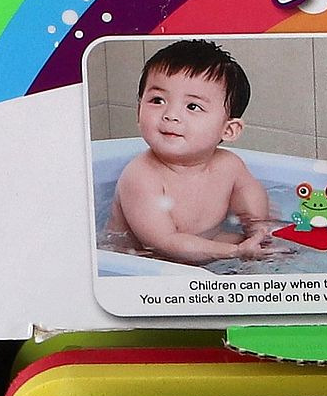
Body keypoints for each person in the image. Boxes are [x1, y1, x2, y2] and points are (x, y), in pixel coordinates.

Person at [110, 40, 289, 263]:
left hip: (206, 242)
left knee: (280, 253)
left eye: (192, 106)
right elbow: (163, 242)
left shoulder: (229, 165)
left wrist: (257, 228)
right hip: (145, 260)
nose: (171, 115)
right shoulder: (140, 176)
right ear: (139, 111)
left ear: (229, 129)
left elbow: (249, 193)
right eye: (157, 100)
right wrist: (235, 251)